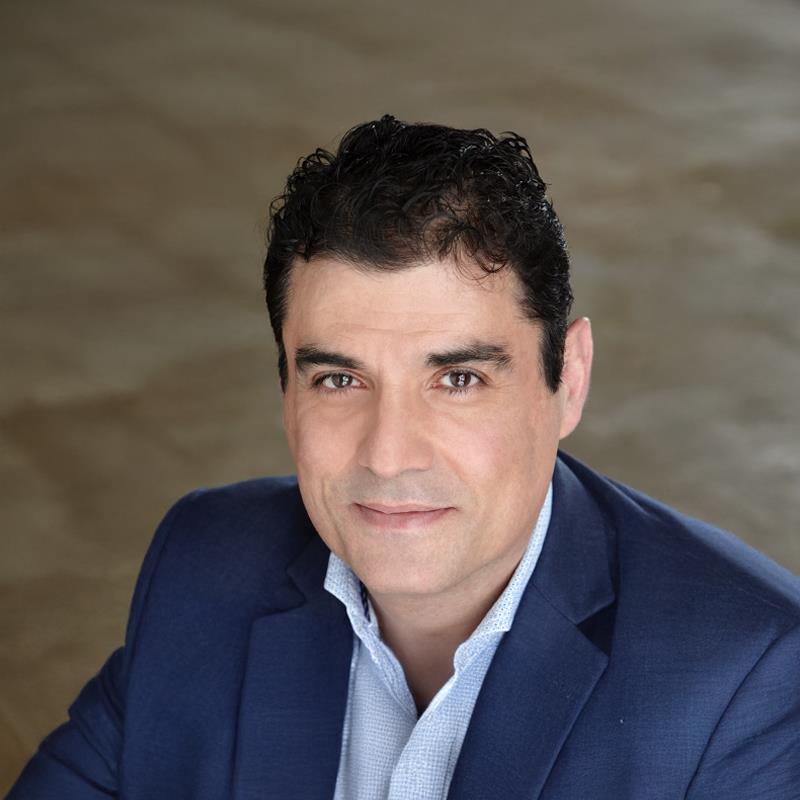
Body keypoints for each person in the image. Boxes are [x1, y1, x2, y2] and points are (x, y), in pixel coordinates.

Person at [8, 115, 800, 800]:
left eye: (458, 379)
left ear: (570, 379)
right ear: (285, 392)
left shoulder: (748, 680)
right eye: (339, 379)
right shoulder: (206, 567)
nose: (388, 456)